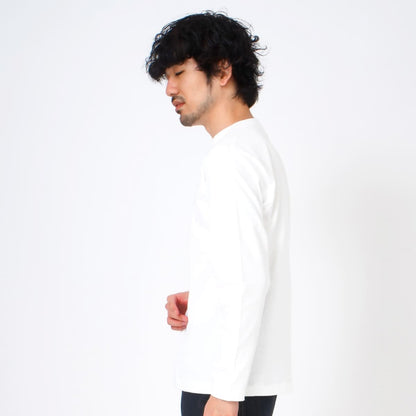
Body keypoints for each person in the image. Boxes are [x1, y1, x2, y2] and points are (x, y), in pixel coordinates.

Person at [146, 11, 292, 416]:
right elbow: (248, 267)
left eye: (179, 72)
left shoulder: (231, 158)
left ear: (223, 70)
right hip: (239, 381)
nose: (170, 88)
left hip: (222, 386)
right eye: (166, 77)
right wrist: (206, 298)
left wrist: (226, 393)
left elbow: (248, 281)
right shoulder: (254, 148)